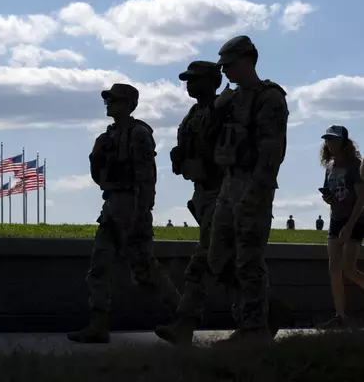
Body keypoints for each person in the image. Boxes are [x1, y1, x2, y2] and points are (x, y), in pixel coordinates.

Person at [155, 60, 288, 346]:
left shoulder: (229, 108)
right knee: (224, 261)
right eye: (187, 80)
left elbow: (235, 148)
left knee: (205, 259)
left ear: (213, 81)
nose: (189, 84)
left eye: (195, 79)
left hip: (224, 192)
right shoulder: (193, 114)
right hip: (202, 194)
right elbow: (189, 150)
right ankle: (264, 312)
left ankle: (186, 323)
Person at [66, 83, 181, 344]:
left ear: (130, 105)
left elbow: (147, 177)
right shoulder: (107, 137)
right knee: (98, 267)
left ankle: (182, 315)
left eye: (115, 100)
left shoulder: (139, 134)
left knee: (146, 270)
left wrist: (141, 213)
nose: (109, 103)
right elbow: (100, 177)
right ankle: (98, 325)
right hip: (112, 205)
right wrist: (96, 156)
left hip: (133, 204)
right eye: (108, 100)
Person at [207, 35, 289, 345]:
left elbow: (272, 151)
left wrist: (257, 192)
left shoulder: (269, 98)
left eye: (230, 65)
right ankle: (265, 311)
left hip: (254, 184)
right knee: (218, 257)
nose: (225, 71)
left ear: (248, 60)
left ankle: (253, 329)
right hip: (230, 182)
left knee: (248, 258)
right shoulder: (231, 99)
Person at [317, 125, 364, 329]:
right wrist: (329, 199)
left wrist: (350, 224)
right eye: (327, 140)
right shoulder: (330, 166)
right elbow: (333, 193)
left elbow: (361, 199)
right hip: (335, 219)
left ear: (344, 142)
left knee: (349, 269)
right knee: (333, 269)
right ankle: (340, 316)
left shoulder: (355, 165)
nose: (329, 143)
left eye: (334, 140)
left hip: (355, 219)